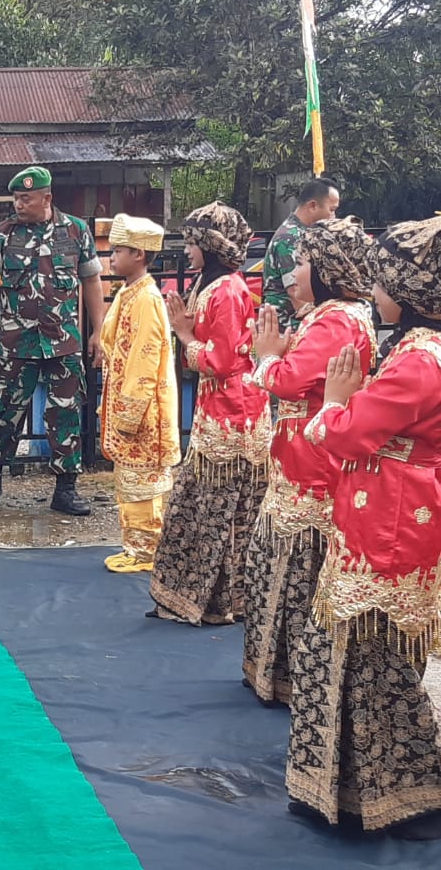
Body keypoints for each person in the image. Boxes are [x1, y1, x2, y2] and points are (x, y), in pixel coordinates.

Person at [287, 215, 441, 840]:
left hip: (394, 514)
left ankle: (424, 794)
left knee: (375, 658)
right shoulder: (429, 347)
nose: (372, 292)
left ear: (407, 290)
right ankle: (360, 787)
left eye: (381, 280)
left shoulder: (418, 362)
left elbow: (345, 435)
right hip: (398, 505)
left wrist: (334, 401)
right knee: (365, 653)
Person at [241, 217, 378, 706]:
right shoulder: (328, 314)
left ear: (328, 268)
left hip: (314, 469)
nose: (290, 274)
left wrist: (266, 358)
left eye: (301, 263)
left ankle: (296, 678)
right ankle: (281, 675)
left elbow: (289, 381)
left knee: (298, 572)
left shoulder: (337, 319)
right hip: (303, 460)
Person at [147, 202, 270, 625]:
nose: (187, 251)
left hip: (232, 413)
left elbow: (221, 362)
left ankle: (214, 600)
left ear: (211, 246)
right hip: (219, 408)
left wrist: (183, 334)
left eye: (193, 243)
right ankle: (211, 599)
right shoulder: (213, 284)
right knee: (212, 507)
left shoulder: (227, 291)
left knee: (215, 507)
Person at [0, 166, 105, 515]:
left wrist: (98, 330)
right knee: (2, 413)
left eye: (26, 198)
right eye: (16, 197)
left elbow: (92, 282)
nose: (18, 204)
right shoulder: (1, 236)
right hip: (16, 343)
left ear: (47, 198)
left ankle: (65, 489)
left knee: (66, 415)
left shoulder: (76, 231)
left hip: (63, 343)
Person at [96, 214, 180, 574]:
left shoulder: (146, 298)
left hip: (143, 407)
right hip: (127, 399)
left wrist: (129, 411)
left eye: (119, 251)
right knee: (129, 477)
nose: (112, 258)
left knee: (144, 478)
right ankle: (134, 545)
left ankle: (147, 549)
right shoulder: (131, 293)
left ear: (140, 255)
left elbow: (144, 360)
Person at [263, 179, 342, 330]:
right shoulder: (291, 239)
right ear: (312, 206)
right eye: (331, 210)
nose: (334, 217)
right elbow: (297, 295)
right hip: (287, 327)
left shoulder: (302, 233)